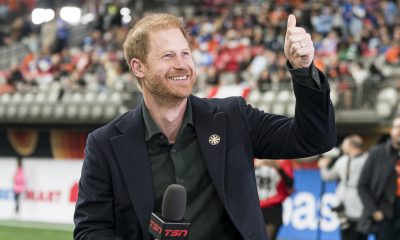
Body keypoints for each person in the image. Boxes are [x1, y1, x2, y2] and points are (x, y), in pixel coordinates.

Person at [73, 13, 336, 240]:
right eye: (168, 55)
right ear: (138, 67)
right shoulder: (105, 144)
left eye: (185, 53)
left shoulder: (233, 117)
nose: (182, 64)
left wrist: (303, 70)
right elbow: (91, 229)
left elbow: (315, 139)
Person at [318, 135, 368, 240]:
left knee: (352, 235)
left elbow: (327, 176)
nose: (342, 147)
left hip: (357, 206)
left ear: (350, 146)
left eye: (344, 145)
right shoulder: (366, 159)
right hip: (351, 207)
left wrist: (323, 166)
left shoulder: (345, 160)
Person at [358, 117, 400, 239]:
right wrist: (374, 212)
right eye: (397, 127)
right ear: (391, 130)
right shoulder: (377, 153)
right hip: (385, 217)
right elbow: (362, 185)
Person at [254, 159, 294, 240]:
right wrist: (254, 166)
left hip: (273, 208)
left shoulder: (283, 161)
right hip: (254, 207)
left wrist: (278, 167)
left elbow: (290, 184)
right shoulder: (252, 158)